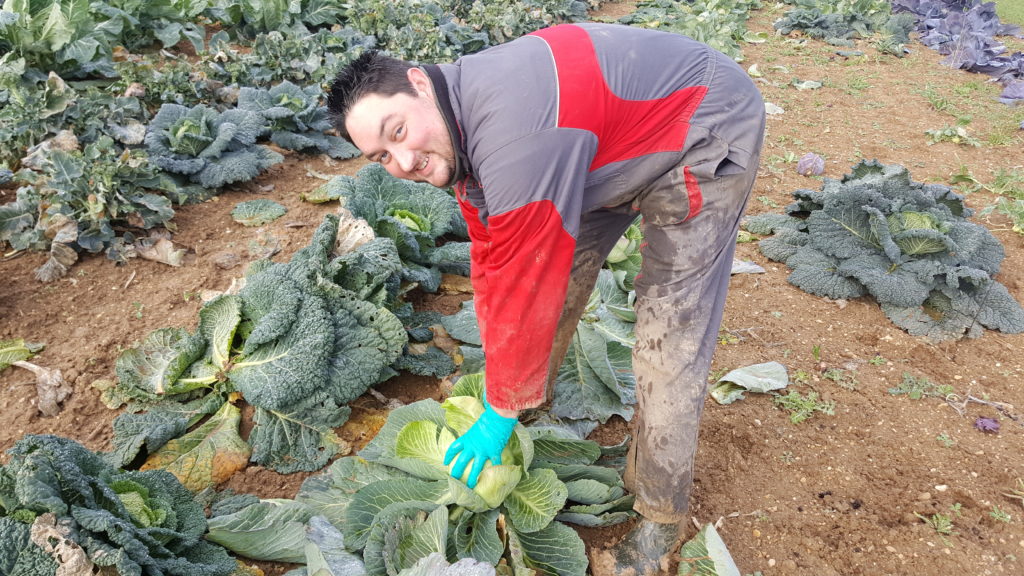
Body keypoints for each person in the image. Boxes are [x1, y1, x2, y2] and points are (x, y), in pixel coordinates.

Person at [328, 22, 765, 572]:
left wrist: (497, 412)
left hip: (701, 123)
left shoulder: (514, 136)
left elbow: (527, 280)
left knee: (669, 332)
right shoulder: (460, 139)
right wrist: (502, 392)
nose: (402, 159)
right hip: (607, 143)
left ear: (418, 83)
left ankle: (660, 513)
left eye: (397, 132)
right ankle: (531, 403)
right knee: (554, 291)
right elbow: (493, 263)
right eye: (380, 157)